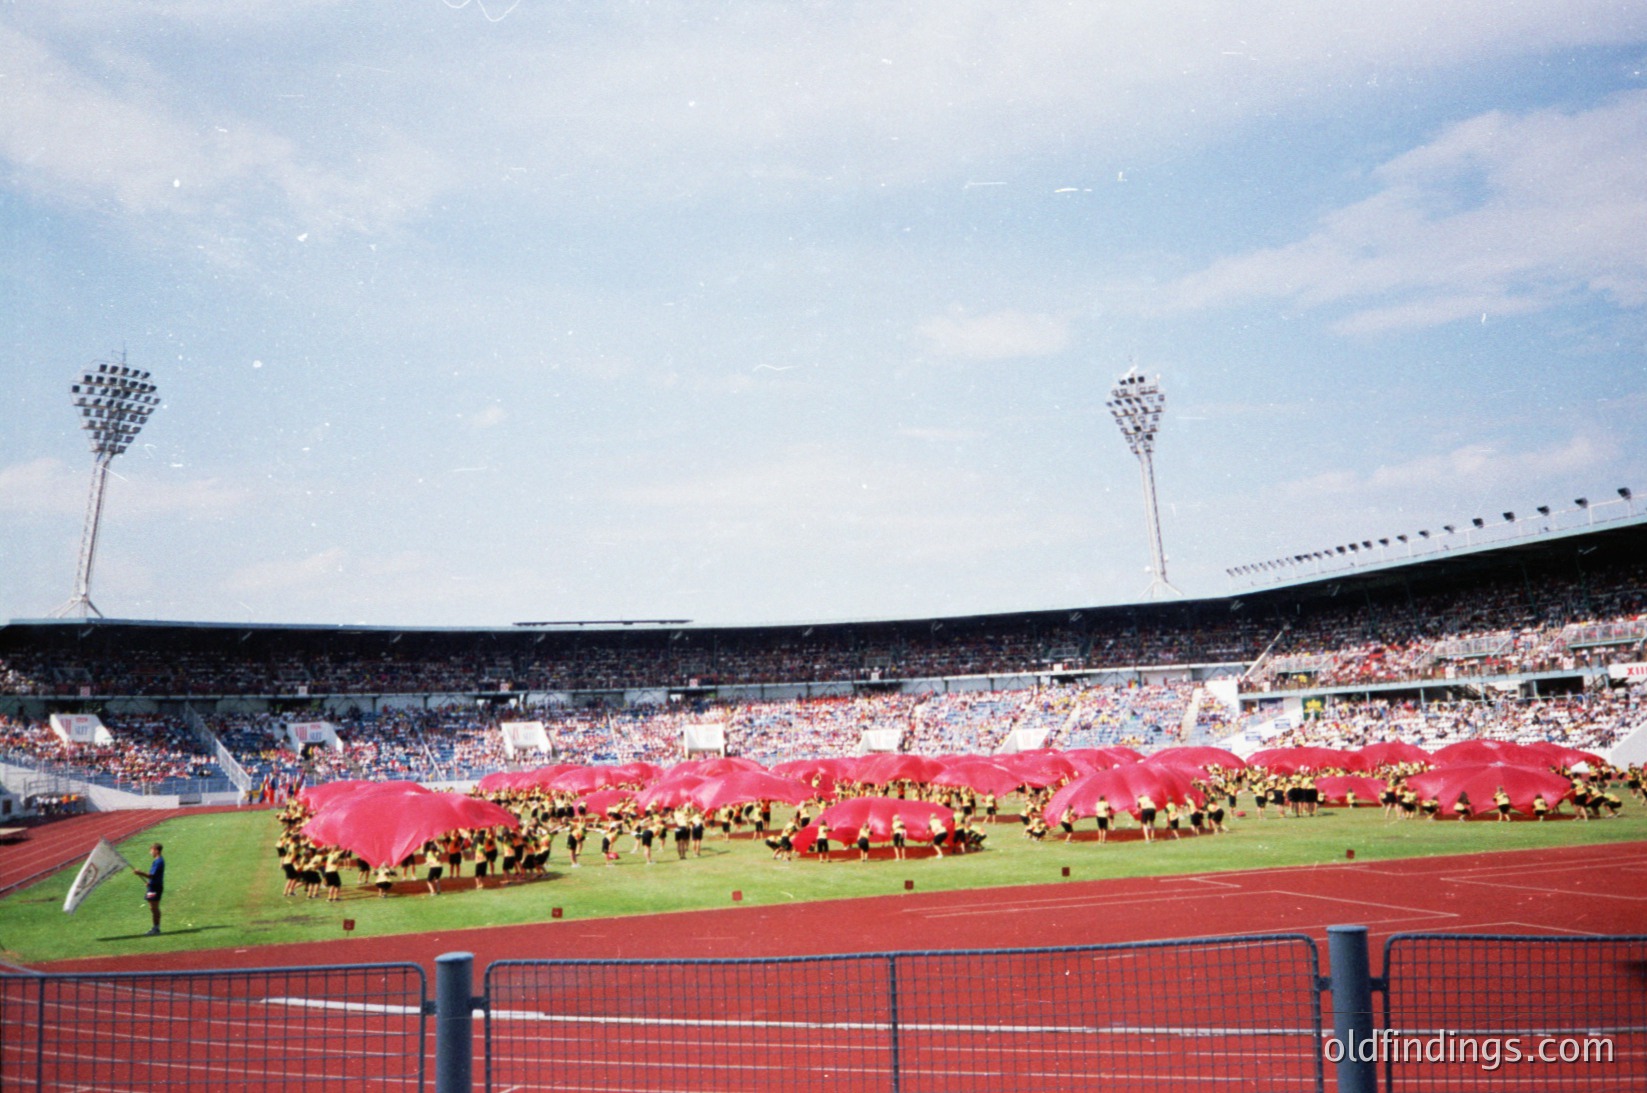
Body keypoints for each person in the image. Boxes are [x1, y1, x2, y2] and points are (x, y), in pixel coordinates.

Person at [133, 842, 165, 935]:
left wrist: (140, 873)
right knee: (153, 908)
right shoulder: (157, 861)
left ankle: (156, 928)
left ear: (156, 850)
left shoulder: (158, 861)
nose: (150, 852)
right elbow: (154, 876)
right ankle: (156, 928)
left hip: (155, 888)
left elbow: (152, 875)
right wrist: (150, 883)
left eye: (151, 850)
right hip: (153, 886)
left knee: (154, 908)